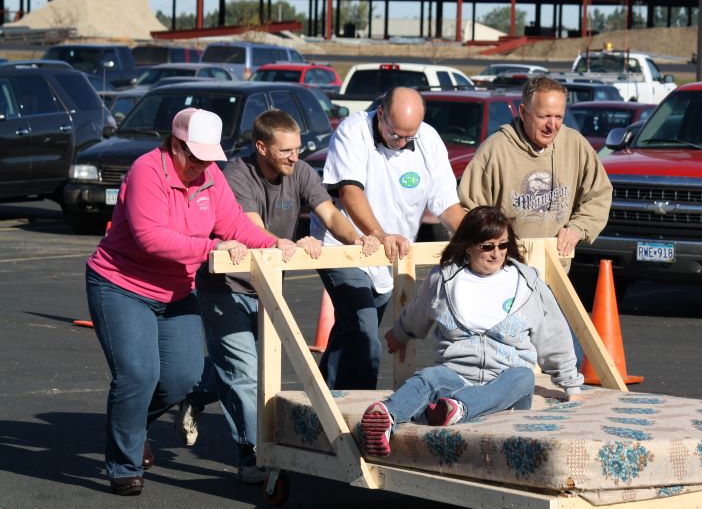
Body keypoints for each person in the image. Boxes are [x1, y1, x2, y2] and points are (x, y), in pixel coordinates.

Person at [85, 108, 283, 496]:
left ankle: (133, 425)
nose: (202, 165)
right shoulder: (147, 171)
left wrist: (277, 243)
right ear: (174, 145)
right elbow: (151, 238)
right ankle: (123, 465)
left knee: (184, 376)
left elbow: (236, 226)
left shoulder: (211, 178)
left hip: (175, 291)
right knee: (138, 375)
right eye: (194, 156)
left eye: (209, 157)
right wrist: (213, 247)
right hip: (120, 285)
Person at [178, 109, 381, 483]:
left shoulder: (300, 172)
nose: (295, 156)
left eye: (298, 148)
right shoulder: (237, 175)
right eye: (286, 150)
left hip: (266, 285)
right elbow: (249, 224)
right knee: (245, 371)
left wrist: (361, 239)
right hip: (225, 286)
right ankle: (254, 454)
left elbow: (330, 214)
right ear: (261, 147)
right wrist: (282, 244)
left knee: (245, 367)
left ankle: (194, 393)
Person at [360, 206, 584, 457]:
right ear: (467, 245)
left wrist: (571, 387)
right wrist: (399, 334)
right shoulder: (444, 279)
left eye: (503, 245)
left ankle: (460, 409)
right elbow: (417, 313)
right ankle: (385, 416)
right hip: (456, 377)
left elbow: (554, 335)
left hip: (505, 385)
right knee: (429, 377)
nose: (497, 253)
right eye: (487, 246)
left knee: (524, 377)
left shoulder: (527, 283)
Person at [312, 86, 465, 390]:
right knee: (363, 333)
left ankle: (318, 405)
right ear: (380, 114)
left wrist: (475, 235)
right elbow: (349, 190)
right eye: (395, 134)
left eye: (410, 136)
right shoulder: (352, 131)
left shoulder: (429, 140)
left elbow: (447, 205)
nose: (402, 142)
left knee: (349, 335)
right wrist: (378, 234)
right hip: (347, 247)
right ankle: (359, 417)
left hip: (389, 257)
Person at [458, 76, 612, 260]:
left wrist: (577, 228)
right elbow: (468, 211)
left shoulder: (575, 144)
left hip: (556, 268)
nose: (552, 126)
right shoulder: (494, 150)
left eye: (559, 117)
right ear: (523, 112)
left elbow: (599, 195)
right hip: (506, 273)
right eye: (544, 116)